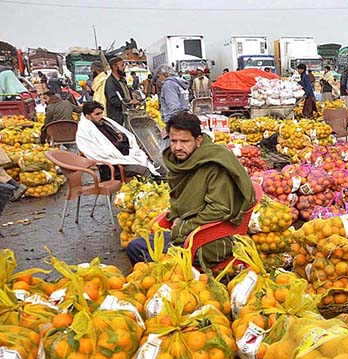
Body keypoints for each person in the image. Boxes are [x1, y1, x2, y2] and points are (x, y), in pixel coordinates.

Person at [126, 112, 256, 269]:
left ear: (198, 140)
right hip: (189, 230)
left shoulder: (214, 164)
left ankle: (180, 289)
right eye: (174, 141)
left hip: (211, 238)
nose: (178, 147)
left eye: (185, 141)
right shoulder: (182, 163)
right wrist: (176, 219)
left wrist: (182, 226)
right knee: (135, 246)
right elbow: (180, 201)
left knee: (147, 255)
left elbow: (220, 209)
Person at [76, 101, 156, 180]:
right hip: (111, 166)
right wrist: (120, 144)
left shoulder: (105, 123)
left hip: (124, 156)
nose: (101, 116)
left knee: (153, 162)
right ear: (87, 116)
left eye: (101, 113)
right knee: (144, 170)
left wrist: (122, 138)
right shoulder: (85, 132)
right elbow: (101, 152)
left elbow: (125, 137)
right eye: (97, 114)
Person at [155, 64, 190, 143]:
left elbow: (174, 107)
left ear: (164, 74)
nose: (158, 79)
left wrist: (171, 126)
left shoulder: (169, 84)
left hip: (175, 122)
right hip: (183, 119)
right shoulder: (179, 83)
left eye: (159, 76)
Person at [104, 56, 136, 125]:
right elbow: (114, 100)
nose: (124, 67)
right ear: (115, 67)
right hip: (118, 117)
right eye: (122, 65)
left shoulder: (122, 80)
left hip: (127, 115)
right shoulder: (110, 82)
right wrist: (129, 102)